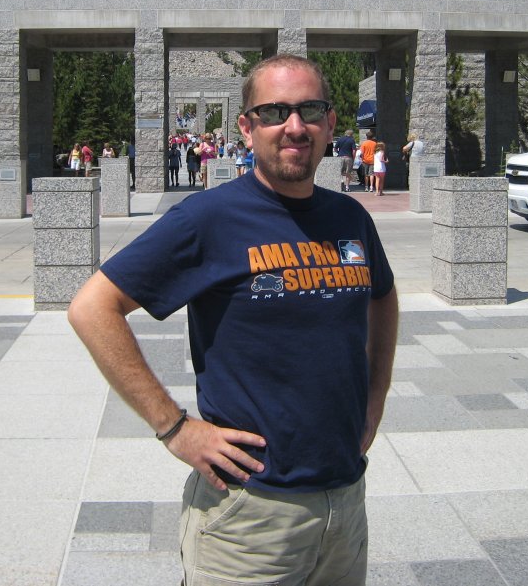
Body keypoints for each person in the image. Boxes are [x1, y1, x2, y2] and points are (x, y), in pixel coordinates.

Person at [68, 54, 398, 585]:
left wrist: (376, 396)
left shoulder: (350, 217)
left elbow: (383, 295)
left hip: (344, 503)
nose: (294, 127)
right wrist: (174, 428)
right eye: (274, 112)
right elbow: (92, 308)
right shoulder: (208, 217)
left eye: (310, 110)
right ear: (247, 128)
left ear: (331, 124)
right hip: (249, 518)